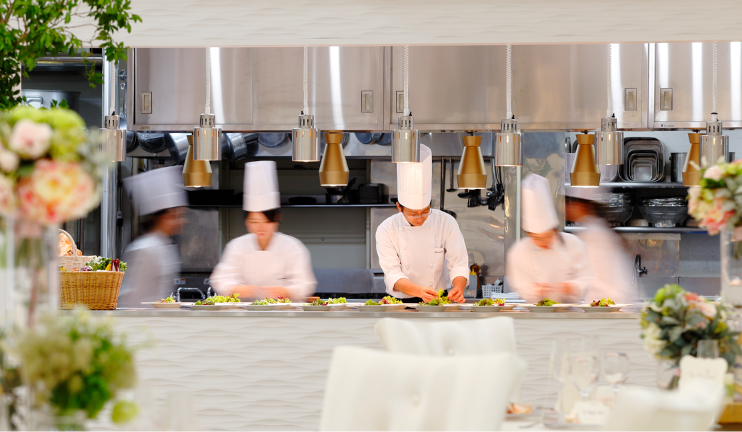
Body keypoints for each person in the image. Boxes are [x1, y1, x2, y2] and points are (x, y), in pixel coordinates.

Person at [376, 144, 470, 303]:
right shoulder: (386, 229)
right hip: (401, 304)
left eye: (425, 211)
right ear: (399, 207)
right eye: (413, 214)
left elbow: (458, 263)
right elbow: (392, 273)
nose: (420, 218)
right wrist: (419, 291)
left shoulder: (446, 222)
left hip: (438, 300)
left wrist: (458, 289)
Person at [210, 161, 316, 301]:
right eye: (254, 222)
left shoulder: (292, 246)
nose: (260, 227)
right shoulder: (237, 246)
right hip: (246, 311)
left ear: (277, 220)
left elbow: (305, 283)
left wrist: (286, 291)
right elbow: (220, 279)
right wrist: (237, 289)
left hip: (284, 311)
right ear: (246, 222)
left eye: (266, 221)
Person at [506, 174, 594, 303]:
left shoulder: (574, 244)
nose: (543, 243)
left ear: (555, 230)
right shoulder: (519, 252)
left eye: (547, 236)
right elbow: (520, 286)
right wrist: (536, 290)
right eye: (537, 238)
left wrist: (570, 287)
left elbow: (587, 279)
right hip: (535, 313)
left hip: (570, 312)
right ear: (528, 234)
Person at [119, 166, 187, 307]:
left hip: (156, 316)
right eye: (176, 216)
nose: (182, 221)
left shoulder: (165, 245)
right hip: (141, 316)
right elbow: (130, 296)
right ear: (163, 218)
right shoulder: (144, 248)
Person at [565, 186, 637, 304]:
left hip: (609, 304)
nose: (567, 208)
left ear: (584, 206)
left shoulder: (594, 234)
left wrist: (569, 287)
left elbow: (596, 278)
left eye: (572, 204)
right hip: (604, 304)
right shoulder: (593, 229)